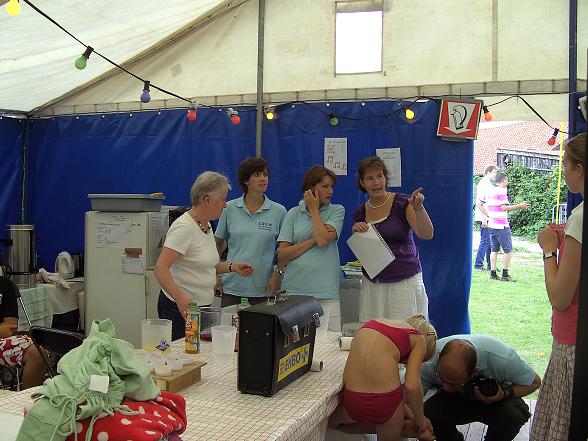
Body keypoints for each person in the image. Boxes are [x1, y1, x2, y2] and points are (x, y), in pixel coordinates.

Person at [531, 132, 586, 441]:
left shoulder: (580, 217)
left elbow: (560, 297)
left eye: (566, 164)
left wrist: (549, 250)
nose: (564, 171)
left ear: (580, 168)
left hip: (573, 342)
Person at [154, 171, 254, 341]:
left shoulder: (206, 225)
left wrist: (232, 267)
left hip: (201, 308)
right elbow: (160, 268)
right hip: (179, 309)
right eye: (222, 199)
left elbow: (206, 263)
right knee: (184, 354)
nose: (225, 205)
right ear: (207, 200)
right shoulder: (184, 227)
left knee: (199, 352)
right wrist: (180, 298)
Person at [328, 314, 437, 441]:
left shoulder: (372, 324)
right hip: (386, 404)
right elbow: (412, 386)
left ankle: (391, 427)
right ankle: (398, 429)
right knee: (393, 412)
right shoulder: (420, 340)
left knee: (331, 423)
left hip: (353, 400)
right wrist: (420, 421)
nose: (406, 363)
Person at [352, 156, 434, 322]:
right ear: (362, 183)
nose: (376, 182)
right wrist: (356, 232)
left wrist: (419, 208)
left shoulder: (402, 203)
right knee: (375, 333)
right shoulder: (360, 212)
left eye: (380, 176)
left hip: (404, 283)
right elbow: (364, 251)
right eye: (370, 178)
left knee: (405, 332)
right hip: (373, 285)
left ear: (385, 178)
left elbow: (426, 234)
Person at [421, 334, 541, 441]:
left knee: (513, 414)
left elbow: (535, 382)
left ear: (474, 372)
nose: (446, 388)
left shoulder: (502, 359)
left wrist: (505, 393)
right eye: (442, 379)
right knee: (429, 413)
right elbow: (413, 402)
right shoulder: (428, 360)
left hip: (497, 400)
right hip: (455, 399)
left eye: (453, 383)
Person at [272, 165, 345, 330]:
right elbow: (283, 253)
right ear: (310, 189)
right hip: (294, 291)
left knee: (330, 342)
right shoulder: (293, 213)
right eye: (325, 186)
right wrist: (312, 239)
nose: (330, 191)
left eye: (331, 186)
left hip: (326, 292)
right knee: (296, 342)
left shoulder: (337, 210)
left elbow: (323, 240)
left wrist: (313, 209)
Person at [215, 157, 287, 307]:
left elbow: (285, 249)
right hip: (232, 288)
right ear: (246, 180)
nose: (263, 178)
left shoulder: (279, 211)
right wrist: (214, 275)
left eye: (265, 174)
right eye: (257, 175)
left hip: (265, 289)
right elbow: (217, 244)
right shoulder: (229, 208)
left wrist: (278, 274)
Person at [478, 172, 530, 281]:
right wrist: (520, 205)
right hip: (501, 225)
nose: (507, 182)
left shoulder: (489, 190)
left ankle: (493, 274)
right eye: (507, 180)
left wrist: (488, 215)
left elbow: (479, 204)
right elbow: (504, 208)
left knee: (494, 250)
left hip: (492, 224)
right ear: (503, 180)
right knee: (508, 250)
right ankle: (505, 275)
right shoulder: (502, 190)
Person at [0, 276, 46, 389]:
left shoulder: (4, 284)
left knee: (37, 352)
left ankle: (27, 399)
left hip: (1, 341)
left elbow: (11, 326)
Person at [474, 165, 498, 271]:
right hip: (485, 216)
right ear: (488, 172)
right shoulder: (484, 184)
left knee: (489, 241)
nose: (495, 174)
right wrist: (485, 217)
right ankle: (478, 264)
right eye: (494, 172)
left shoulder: (487, 183)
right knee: (485, 241)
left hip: (488, 215)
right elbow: (481, 202)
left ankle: (490, 265)